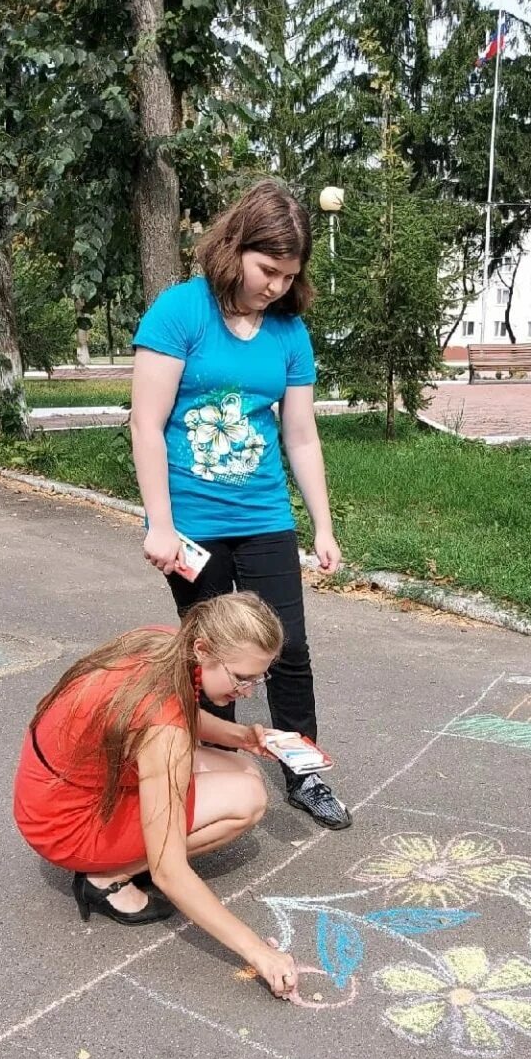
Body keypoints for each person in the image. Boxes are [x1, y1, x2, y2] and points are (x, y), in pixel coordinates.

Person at [130, 179, 351, 832]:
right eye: (267, 270)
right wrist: (162, 525)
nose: (277, 286)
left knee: (288, 648)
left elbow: (301, 434)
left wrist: (323, 524)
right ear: (235, 249)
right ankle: (215, 765)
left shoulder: (288, 332)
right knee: (213, 657)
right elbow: (146, 424)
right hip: (192, 525)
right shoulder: (178, 314)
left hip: (263, 517)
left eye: (290, 275)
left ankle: (304, 770)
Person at [13, 594, 299, 999]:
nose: (250, 692)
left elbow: (177, 709)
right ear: (204, 650)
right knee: (248, 798)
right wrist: (258, 952)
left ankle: (117, 858)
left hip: (54, 787)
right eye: (242, 678)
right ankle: (108, 876)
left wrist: (242, 737)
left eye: (259, 678)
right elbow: (170, 872)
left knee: (241, 769)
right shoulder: (165, 733)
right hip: (65, 824)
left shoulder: (163, 644)